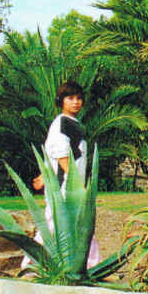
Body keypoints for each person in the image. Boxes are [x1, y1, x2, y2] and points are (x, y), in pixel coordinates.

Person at [22, 80, 100, 271]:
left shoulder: (73, 123)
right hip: (64, 186)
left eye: (79, 98)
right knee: (53, 224)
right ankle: (30, 265)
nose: (76, 102)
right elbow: (61, 154)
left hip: (71, 185)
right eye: (70, 98)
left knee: (82, 224)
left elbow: (54, 153)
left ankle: (91, 265)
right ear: (61, 100)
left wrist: (43, 175)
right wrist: (77, 185)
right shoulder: (61, 123)